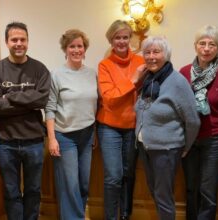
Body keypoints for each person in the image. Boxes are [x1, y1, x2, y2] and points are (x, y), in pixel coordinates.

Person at [0, 22, 51, 220]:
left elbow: (42, 99)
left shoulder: (39, 68)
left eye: (22, 39)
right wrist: (27, 100)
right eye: (14, 39)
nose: (18, 43)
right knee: (11, 191)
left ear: (27, 42)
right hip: (5, 142)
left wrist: (10, 96)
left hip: (33, 140)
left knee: (33, 189)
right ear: (7, 42)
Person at [135, 36, 200, 220]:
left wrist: (185, 146)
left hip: (166, 149)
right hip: (146, 146)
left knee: (163, 196)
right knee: (156, 193)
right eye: (147, 52)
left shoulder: (177, 81)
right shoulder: (148, 79)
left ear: (166, 54)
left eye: (156, 51)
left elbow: (193, 120)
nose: (151, 56)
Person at [180, 25, 218, 220]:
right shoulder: (184, 72)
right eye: (202, 43)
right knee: (190, 187)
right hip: (189, 139)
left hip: (216, 139)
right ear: (195, 46)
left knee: (208, 190)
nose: (206, 48)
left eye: (212, 44)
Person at [45, 29, 98, 220]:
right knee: (70, 185)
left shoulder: (92, 73)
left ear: (85, 49)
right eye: (72, 46)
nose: (76, 50)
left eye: (80, 46)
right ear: (65, 49)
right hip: (64, 136)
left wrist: (95, 134)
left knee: (83, 183)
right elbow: (49, 108)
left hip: (87, 135)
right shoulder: (57, 74)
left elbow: (95, 106)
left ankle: (78, 215)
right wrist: (52, 139)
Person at [97, 20, 146, 220]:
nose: (122, 41)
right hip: (109, 126)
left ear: (130, 39)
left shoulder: (141, 62)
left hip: (133, 126)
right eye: (117, 37)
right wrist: (133, 80)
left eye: (125, 37)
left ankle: (125, 215)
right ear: (111, 40)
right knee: (113, 177)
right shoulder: (105, 65)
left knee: (129, 175)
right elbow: (109, 97)